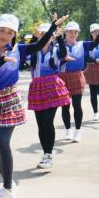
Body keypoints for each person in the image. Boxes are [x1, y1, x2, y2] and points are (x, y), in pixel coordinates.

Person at [0, 13, 64, 198]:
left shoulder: (19, 49)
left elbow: (39, 44)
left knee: (2, 142)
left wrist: (51, 27)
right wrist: (1, 60)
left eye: (10, 32)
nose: (5, 35)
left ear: (15, 34)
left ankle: (6, 190)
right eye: (1, 30)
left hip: (9, 98)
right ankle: (9, 184)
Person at [26, 22, 71, 171]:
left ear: (52, 37)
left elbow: (64, 54)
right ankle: (45, 154)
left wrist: (59, 38)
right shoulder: (33, 51)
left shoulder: (57, 50)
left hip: (52, 87)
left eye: (48, 35)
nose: (45, 37)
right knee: (41, 124)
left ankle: (48, 155)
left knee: (48, 121)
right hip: (37, 87)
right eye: (41, 34)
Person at [58, 20, 99, 142]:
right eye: (70, 32)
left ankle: (78, 131)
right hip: (63, 77)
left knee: (77, 105)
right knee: (65, 106)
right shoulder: (58, 45)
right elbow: (56, 61)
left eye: (76, 32)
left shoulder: (82, 44)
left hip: (77, 76)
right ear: (66, 32)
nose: (73, 34)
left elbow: (94, 43)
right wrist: (64, 60)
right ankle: (68, 130)